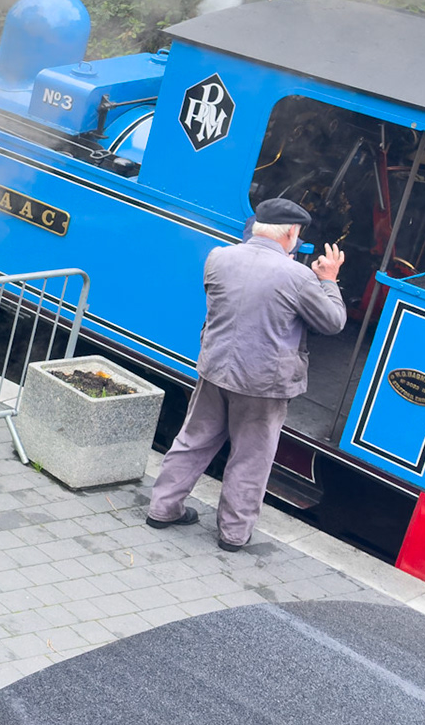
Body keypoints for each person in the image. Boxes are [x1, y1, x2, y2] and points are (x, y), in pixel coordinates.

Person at [146, 198, 346, 551]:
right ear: (292, 233)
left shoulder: (219, 257)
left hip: (215, 368)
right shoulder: (298, 276)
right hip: (263, 384)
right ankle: (233, 534)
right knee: (251, 458)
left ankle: (162, 509)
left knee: (192, 441)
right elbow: (333, 322)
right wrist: (328, 281)